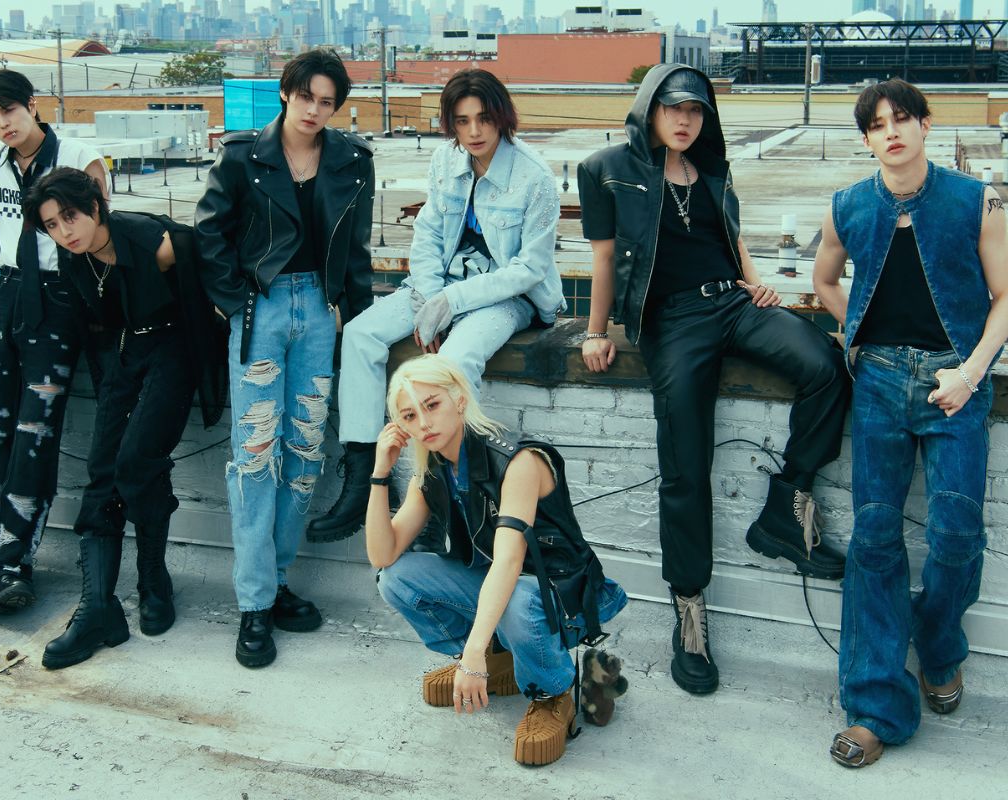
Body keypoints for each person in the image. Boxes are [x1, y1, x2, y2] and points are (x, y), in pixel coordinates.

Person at [577, 64, 850, 695]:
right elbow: (604, 257)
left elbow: (730, 235)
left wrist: (755, 280)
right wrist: (595, 330)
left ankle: (787, 506)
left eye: (695, 109)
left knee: (826, 364)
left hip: (733, 302)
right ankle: (690, 610)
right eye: (673, 107)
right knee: (685, 464)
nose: (684, 119)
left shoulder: (713, 168)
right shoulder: (604, 168)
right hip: (671, 322)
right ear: (649, 108)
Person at [813, 79, 1008, 768]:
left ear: (926, 125)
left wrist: (970, 373)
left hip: (956, 382)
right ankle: (875, 707)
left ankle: (938, 643)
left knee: (956, 532)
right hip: (878, 384)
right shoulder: (847, 206)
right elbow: (825, 280)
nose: (891, 131)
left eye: (902, 119)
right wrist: (858, 333)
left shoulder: (978, 199)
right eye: (877, 124)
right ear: (867, 139)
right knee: (874, 539)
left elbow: (1006, 295)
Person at [308, 68, 564, 546]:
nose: (474, 131)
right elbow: (426, 234)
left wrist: (451, 302)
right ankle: (363, 479)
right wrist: (429, 299)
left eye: (484, 119)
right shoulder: (446, 160)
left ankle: (450, 497)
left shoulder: (535, 178)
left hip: (507, 297)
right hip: (441, 284)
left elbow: (529, 270)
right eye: (462, 121)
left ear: (502, 117)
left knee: (453, 363)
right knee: (360, 335)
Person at [195, 49, 375, 668]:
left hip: (320, 312)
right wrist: (235, 304)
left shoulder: (353, 160)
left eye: (326, 102)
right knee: (254, 455)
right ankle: (254, 604)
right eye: (305, 97)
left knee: (303, 452)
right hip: (262, 309)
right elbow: (210, 234)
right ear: (285, 93)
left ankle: (272, 584)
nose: (314, 110)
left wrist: (356, 320)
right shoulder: (243, 156)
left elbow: (355, 249)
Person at [367, 354, 628, 766]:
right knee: (396, 577)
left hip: (562, 596)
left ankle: (553, 690)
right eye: (410, 416)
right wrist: (380, 472)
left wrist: (470, 657)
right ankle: (501, 659)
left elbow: (509, 562)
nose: (424, 423)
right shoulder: (434, 469)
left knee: (518, 600)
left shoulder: (516, 461)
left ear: (459, 399)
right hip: (504, 590)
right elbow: (382, 555)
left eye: (432, 405)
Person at [20, 167, 226, 668]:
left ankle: (153, 580)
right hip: (125, 352)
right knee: (102, 472)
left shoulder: (152, 240)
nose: (64, 231)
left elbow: (208, 265)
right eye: (52, 225)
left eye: (70, 216)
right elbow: (97, 322)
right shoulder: (74, 257)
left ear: (95, 207)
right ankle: (98, 608)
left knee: (137, 460)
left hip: (175, 348)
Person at [0, 69, 109, 622]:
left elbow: (100, 235)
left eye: (10, 112)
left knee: (34, 432)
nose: (3, 126)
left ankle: (13, 563)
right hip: (6, 292)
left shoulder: (80, 156)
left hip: (60, 295)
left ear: (32, 104)